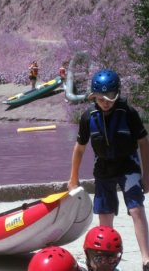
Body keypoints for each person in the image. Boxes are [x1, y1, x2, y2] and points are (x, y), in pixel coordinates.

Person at [67, 69, 149, 270]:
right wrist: (73, 178)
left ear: (118, 94)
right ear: (93, 96)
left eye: (111, 97)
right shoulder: (88, 117)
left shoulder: (128, 114)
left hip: (128, 165)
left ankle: (146, 258)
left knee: (136, 208)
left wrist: (147, 174)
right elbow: (79, 148)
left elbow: (144, 142)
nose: (106, 102)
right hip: (103, 168)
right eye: (101, 98)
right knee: (105, 214)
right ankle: (106, 260)